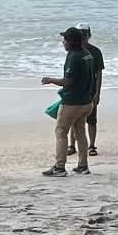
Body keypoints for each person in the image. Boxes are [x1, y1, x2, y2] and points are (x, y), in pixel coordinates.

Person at [41, 26, 97, 177]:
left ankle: (59, 167)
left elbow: (67, 82)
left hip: (73, 102)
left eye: (65, 39)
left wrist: (50, 80)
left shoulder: (73, 56)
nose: (63, 42)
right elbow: (93, 77)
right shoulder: (87, 54)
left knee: (61, 132)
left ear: (71, 41)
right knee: (80, 132)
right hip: (87, 102)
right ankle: (83, 165)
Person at [68, 24, 103, 158]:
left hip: (90, 91)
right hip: (76, 91)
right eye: (80, 33)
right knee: (73, 120)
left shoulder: (96, 52)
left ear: (89, 35)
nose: (83, 36)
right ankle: (72, 145)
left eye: (85, 33)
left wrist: (97, 93)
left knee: (92, 120)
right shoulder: (73, 51)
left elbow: (99, 74)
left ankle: (92, 145)